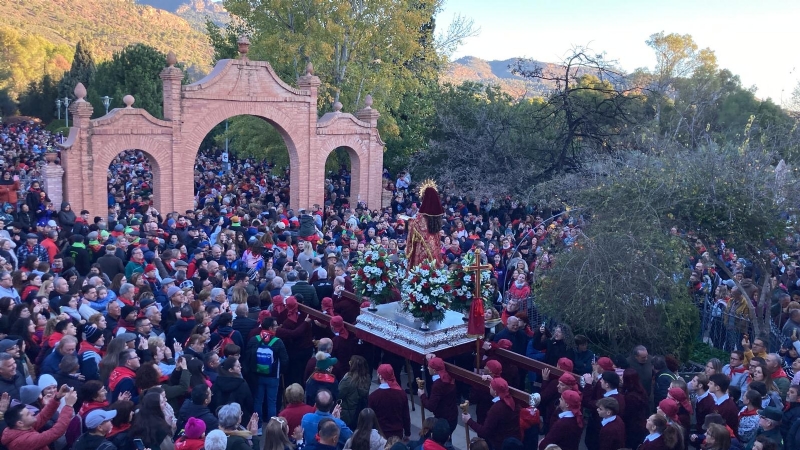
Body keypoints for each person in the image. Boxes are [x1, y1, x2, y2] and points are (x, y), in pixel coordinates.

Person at [1, 384, 78, 450]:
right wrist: (68, 406)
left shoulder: (20, 428)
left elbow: (42, 416)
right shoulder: (23, 441)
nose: (32, 413)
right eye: (28, 414)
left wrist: (57, 398)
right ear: (20, 423)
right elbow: (55, 432)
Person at [245, 316, 289, 428]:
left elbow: (248, 357)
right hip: (273, 376)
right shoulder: (278, 342)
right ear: (270, 327)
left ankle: (257, 426)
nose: (277, 327)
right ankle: (272, 427)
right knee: (272, 402)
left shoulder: (254, 339)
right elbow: (285, 360)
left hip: (257, 375)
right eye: (275, 326)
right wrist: (280, 372)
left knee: (258, 400)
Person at [463, 377, 521, 450]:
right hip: (513, 442)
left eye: (491, 386)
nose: (489, 386)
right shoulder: (513, 400)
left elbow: (485, 431)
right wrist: (493, 380)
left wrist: (469, 421)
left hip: (500, 444)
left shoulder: (497, 408)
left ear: (495, 392)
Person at [406, 181, 444, 268]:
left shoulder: (420, 219)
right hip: (434, 249)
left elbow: (414, 230)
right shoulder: (437, 219)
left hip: (421, 250)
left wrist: (410, 221)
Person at [368, 364, 410, 440]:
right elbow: (405, 415)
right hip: (397, 434)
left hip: (380, 434)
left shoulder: (373, 397)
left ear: (380, 376)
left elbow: (370, 418)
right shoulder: (401, 394)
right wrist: (407, 432)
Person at [419, 356, 458, 433]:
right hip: (453, 416)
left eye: (429, 367)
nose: (427, 368)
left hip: (443, 419)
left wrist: (422, 395)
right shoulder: (448, 378)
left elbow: (431, 406)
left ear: (434, 370)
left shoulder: (438, 385)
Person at [338, 355, 371, 430]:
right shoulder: (367, 379)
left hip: (346, 414)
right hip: (359, 412)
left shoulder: (348, 381)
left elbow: (339, 395)